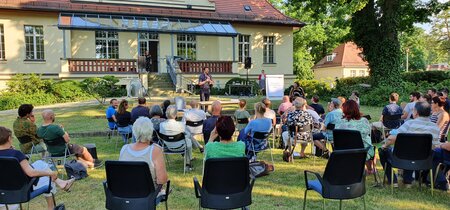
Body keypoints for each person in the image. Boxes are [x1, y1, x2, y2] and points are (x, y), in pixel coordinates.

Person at [0, 126, 75, 210]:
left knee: (40, 164)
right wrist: (51, 173)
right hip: (20, 192)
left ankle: (61, 184)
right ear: (9, 138)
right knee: (46, 174)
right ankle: (52, 206)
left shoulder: (14, 154)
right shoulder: (16, 154)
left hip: (2, 195)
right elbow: (31, 173)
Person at [380, 102, 440, 187]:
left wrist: (385, 145)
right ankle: (407, 181)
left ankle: (394, 181)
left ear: (416, 112)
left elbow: (391, 138)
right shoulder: (435, 127)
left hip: (403, 158)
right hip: (424, 160)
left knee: (383, 151)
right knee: (412, 150)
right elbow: (435, 146)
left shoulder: (409, 124)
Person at [119, 117, 168, 201]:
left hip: (124, 196)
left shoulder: (124, 149)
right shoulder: (156, 150)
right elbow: (162, 180)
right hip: (147, 198)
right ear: (151, 131)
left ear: (134, 131)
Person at [36, 109, 101, 168]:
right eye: (54, 115)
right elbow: (67, 140)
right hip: (64, 151)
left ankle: (90, 163)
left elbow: (46, 137)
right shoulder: (55, 128)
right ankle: (93, 163)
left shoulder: (39, 130)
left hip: (52, 152)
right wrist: (63, 131)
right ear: (51, 117)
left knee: (77, 152)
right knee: (83, 149)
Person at [335, 100, 375, 170]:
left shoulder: (339, 122)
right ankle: (370, 168)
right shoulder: (364, 121)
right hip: (361, 151)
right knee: (368, 145)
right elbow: (367, 133)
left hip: (343, 151)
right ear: (356, 109)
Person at [159, 105, 193, 170]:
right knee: (188, 141)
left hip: (168, 146)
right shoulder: (181, 124)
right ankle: (188, 163)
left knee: (188, 140)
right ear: (175, 114)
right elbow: (188, 135)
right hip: (181, 146)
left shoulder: (161, 125)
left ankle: (189, 161)